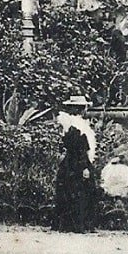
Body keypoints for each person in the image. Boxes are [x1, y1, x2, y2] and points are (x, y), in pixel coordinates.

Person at [53, 95, 99, 232]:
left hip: (70, 161)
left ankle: (68, 224)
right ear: (82, 109)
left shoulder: (68, 123)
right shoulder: (78, 125)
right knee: (82, 192)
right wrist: (85, 166)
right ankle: (79, 225)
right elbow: (81, 147)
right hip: (79, 161)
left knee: (69, 191)